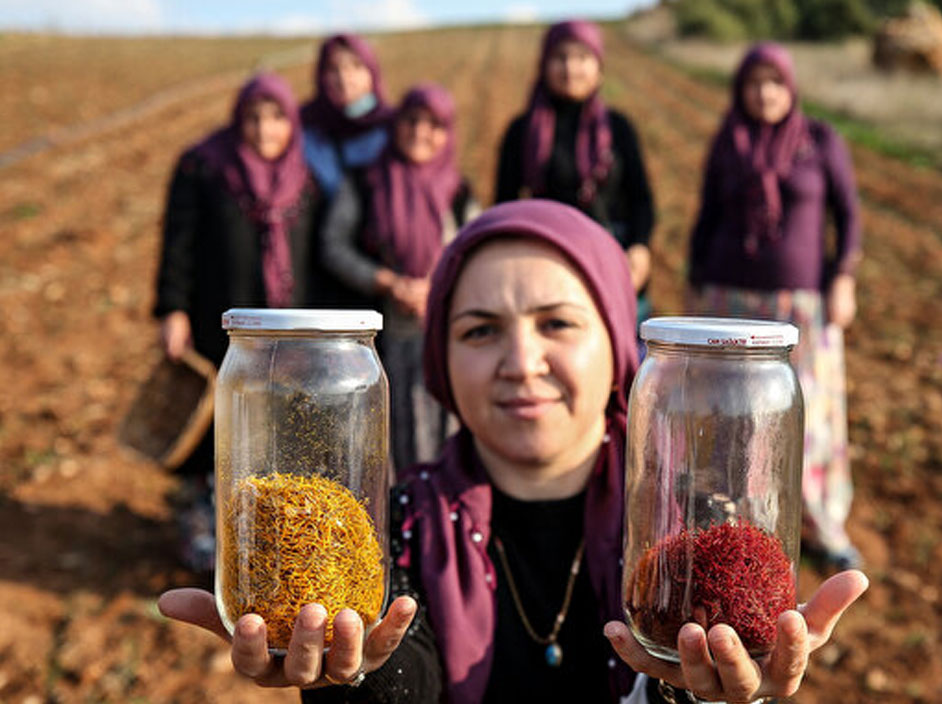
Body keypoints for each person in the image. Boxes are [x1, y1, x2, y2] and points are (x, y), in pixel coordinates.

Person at [159, 200, 869, 703]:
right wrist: (354, 679)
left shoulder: (689, 529)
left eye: (557, 322)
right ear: (439, 361)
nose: (521, 361)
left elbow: (692, 664)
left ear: (621, 347)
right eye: (478, 331)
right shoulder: (399, 519)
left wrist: (706, 696)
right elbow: (408, 669)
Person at [687, 43, 864, 572]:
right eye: (754, 83)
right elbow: (706, 218)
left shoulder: (820, 141)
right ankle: (742, 523)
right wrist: (694, 288)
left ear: (791, 88)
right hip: (728, 299)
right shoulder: (729, 144)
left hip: (799, 306)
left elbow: (849, 216)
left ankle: (819, 522)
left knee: (805, 414)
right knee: (734, 414)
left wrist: (845, 280)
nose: (765, 93)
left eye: (775, 82)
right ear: (740, 90)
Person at [153, 72, 316, 571]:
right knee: (213, 421)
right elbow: (177, 244)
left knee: (268, 426)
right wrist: (172, 310)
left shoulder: (305, 179)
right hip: (215, 322)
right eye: (254, 117)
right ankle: (199, 521)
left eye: (276, 118)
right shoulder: (203, 167)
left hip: (283, 330)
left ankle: (252, 530)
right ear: (237, 119)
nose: (265, 130)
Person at [319, 83, 479, 471]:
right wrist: (387, 282)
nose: (420, 132)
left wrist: (435, 289)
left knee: (443, 445)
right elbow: (333, 245)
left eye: (434, 125)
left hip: (439, 341)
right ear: (396, 123)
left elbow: (475, 255)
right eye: (411, 120)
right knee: (382, 448)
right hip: (379, 343)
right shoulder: (366, 182)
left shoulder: (458, 191)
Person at [494, 20, 656, 323]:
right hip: (546, 266)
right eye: (560, 58)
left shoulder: (619, 128)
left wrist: (640, 248)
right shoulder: (522, 132)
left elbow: (641, 199)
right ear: (544, 65)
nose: (570, 68)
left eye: (582, 58)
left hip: (612, 262)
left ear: (599, 67)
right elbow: (505, 205)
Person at [300, 34, 393, 308]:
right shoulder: (304, 130)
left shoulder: (394, 129)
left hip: (381, 278)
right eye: (333, 68)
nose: (344, 77)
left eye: (355, 66)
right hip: (315, 277)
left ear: (371, 71)